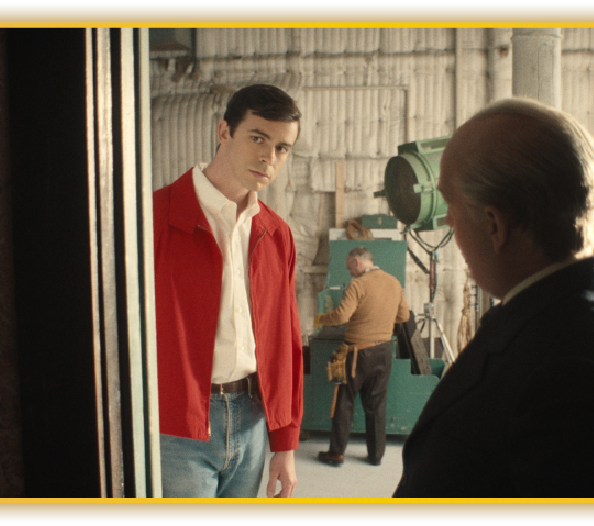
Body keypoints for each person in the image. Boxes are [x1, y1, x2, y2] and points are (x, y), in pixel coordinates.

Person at [392, 98, 594, 498]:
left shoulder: (575, 369)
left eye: (452, 204)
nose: (448, 220)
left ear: (495, 224)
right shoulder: (568, 304)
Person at [152, 84, 304, 498]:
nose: (269, 158)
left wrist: (285, 443)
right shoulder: (154, 218)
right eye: (258, 138)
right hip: (176, 426)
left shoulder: (276, 233)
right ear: (224, 132)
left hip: (252, 419)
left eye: (282, 148)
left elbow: (286, 342)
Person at [315, 247, 409, 467]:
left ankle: (336, 454)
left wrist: (320, 319)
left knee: (344, 401)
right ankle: (376, 455)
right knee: (377, 404)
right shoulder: (394, 282)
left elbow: (341, 317)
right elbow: (403, 315)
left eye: (350, 267)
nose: (350, 272)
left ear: (357, 261)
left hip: (357, 353)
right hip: (384, 352)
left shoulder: (357, 285)